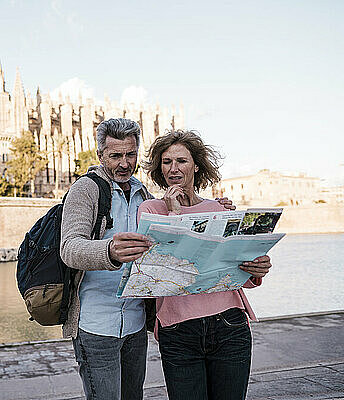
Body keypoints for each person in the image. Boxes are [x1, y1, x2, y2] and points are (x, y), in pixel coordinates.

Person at [59, 119, 235, 400]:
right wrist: (109, 252)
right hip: (96, 323)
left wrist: (215, 210)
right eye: (115, 156)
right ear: (100, 155)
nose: (124, 163)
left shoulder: (144, 194)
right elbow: (69, 247)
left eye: (130, 155)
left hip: (135, 322)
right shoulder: (86, 189)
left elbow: (175, 233)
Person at [138, 130, 272, 400]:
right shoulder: (150, 210)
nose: (174, 169)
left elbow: (235, 272)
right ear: (159, 167)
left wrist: (257, 269)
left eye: (182, 161)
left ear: (196, 165)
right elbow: (157, 275)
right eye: (166, 162)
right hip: (178, 330)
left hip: (230, 323)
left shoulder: (220, 209)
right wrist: (174, 212)